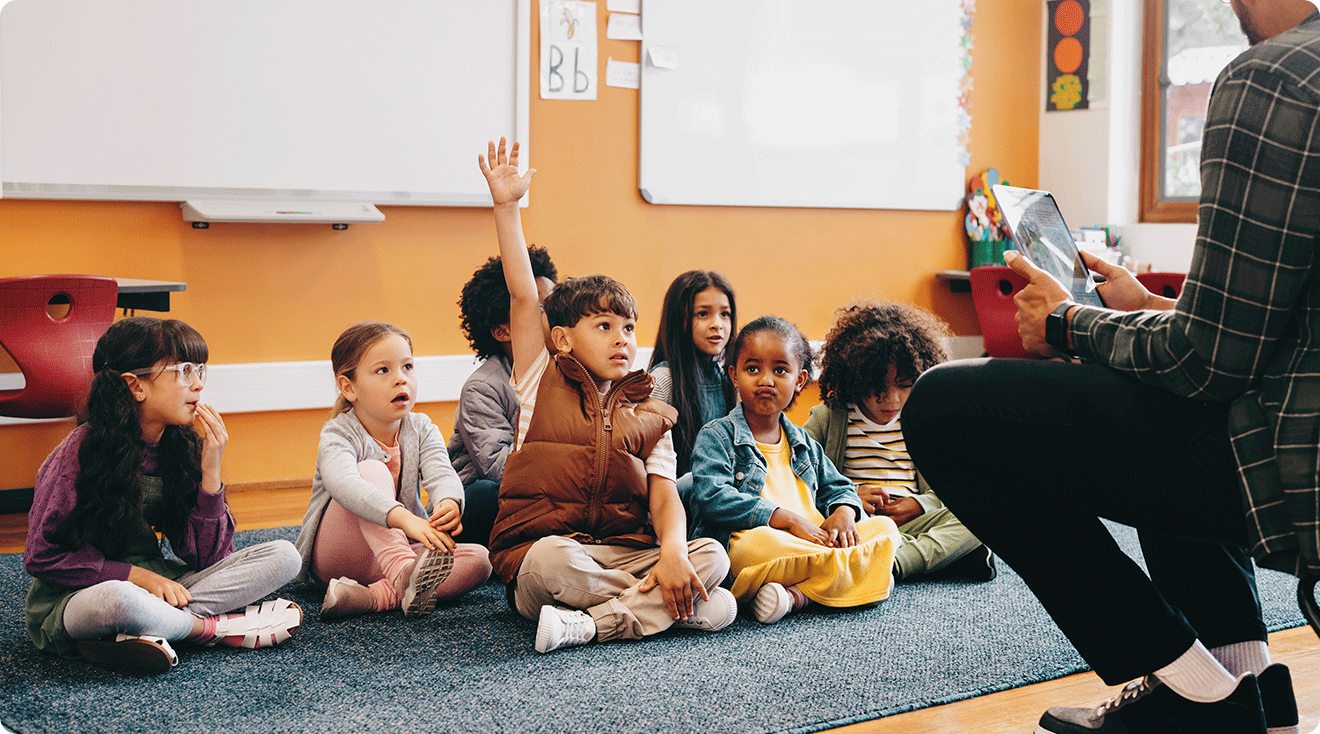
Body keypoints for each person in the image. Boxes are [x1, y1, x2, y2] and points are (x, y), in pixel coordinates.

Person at [902, 2, 1319, 731]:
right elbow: (1271, 337)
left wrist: (1070, 321)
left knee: (942, 409)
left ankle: (1192, 691)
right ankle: (1248, 681)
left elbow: (1205, 363)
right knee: (1146, 391)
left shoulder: (1279, 78)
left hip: (1293, 471)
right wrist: (1133, 318)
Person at [478, 137, 736, 653]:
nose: (622, 338)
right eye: (604, 326)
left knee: (712, 558)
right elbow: (526, 297)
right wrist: (507, 207)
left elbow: (664, 495)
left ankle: (595, 624)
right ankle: (664, 604)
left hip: (622, 552)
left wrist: (673, 552)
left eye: (629, 327)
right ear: (564, 339)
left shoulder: (650, 408)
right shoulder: (538, 379)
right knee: (558, 562)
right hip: (546, 555)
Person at [24, 318, 302, 674]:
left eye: (200, 369)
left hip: (160, 584)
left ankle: (146, 631)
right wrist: (135, 577)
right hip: (77, 598)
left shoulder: (179, 445)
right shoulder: (79, 452)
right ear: (136, 386)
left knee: (284, 555)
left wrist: (211, 475)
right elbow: (41, 557)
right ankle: (210, 629)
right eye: (184, 370)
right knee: (121, 600)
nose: (198, 383)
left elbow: (209, 558)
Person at [687, 316, 901, 624]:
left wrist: (844, 512)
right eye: (752, 369)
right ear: (734, 375)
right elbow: (713, 497)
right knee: (756, 546)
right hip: (764, 542)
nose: (766, 380)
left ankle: (795, 596)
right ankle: (857, 575)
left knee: (885, 530)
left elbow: (838, 487)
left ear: (800, 380)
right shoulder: (717, 436)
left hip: (810, 541)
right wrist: (784, 518)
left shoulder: (803, 441)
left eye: (780, 370)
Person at [295, 322, 491, 621]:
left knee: (480, 560)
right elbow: (345, 485)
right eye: (383, 370)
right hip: (335, 554)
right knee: (371, 471)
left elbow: (441, 472)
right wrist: (405, 519)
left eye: (408, 367)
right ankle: (402, 575)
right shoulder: (338, 432)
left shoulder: (422, 427)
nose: (401, 379)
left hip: (389, 551)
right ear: (348, 387)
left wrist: (449, 502)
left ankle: (373, 597)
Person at [805, 301, 992, 582]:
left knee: (983, 514)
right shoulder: (829, 417)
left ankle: (891, 563)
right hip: (858, 525)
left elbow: (957, 485)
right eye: (877, 388)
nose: (891, 400)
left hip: (914, 523)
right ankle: (925, 559)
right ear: (855, 378)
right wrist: (850, 497)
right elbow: (798, 479)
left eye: (904, 385)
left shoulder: (927, 418)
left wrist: (920, 504)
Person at [449, 246, 559, 546]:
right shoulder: (483, 387)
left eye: (555, 301)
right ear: (502, 332)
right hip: (489, 495)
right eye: (540, 308)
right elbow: (499, 468)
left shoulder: (569, 367)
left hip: (552, 490)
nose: (555, 314)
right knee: (485, 496)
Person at [647, 270, 738, 477]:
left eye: (725, 314)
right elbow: (646, 462)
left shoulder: (725, 377)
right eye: (703, 314)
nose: (717, 324)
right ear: (679, 320)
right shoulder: (662, 381)